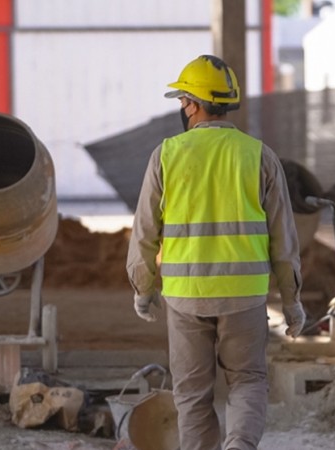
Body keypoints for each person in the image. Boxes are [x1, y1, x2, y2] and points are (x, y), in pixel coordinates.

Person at [126, 54, 306, 450]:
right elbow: (283, 239)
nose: (181, 107)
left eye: (182, 100)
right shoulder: (259, 155)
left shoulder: (166, 154)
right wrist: (292, 301)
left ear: (193, 103)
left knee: (191, 391)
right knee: (247, 381)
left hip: (185, 297)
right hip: (244, 296)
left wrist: (143, 288)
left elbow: (144, 233)